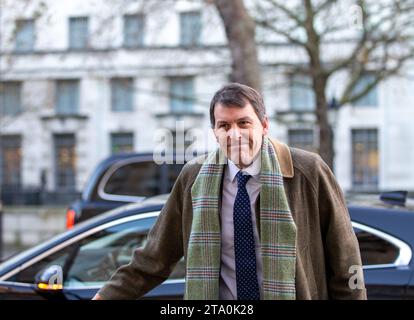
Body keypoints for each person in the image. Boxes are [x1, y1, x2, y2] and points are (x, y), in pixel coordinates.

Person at [93, 83, 366, 300]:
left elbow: (345, 259)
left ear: (265, 126)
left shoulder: (308, 171)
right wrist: (105, 296)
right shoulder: (194, 178)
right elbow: (154, 258)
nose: (234, 134)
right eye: (224, 126)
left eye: (244, 123)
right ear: (214, 132)